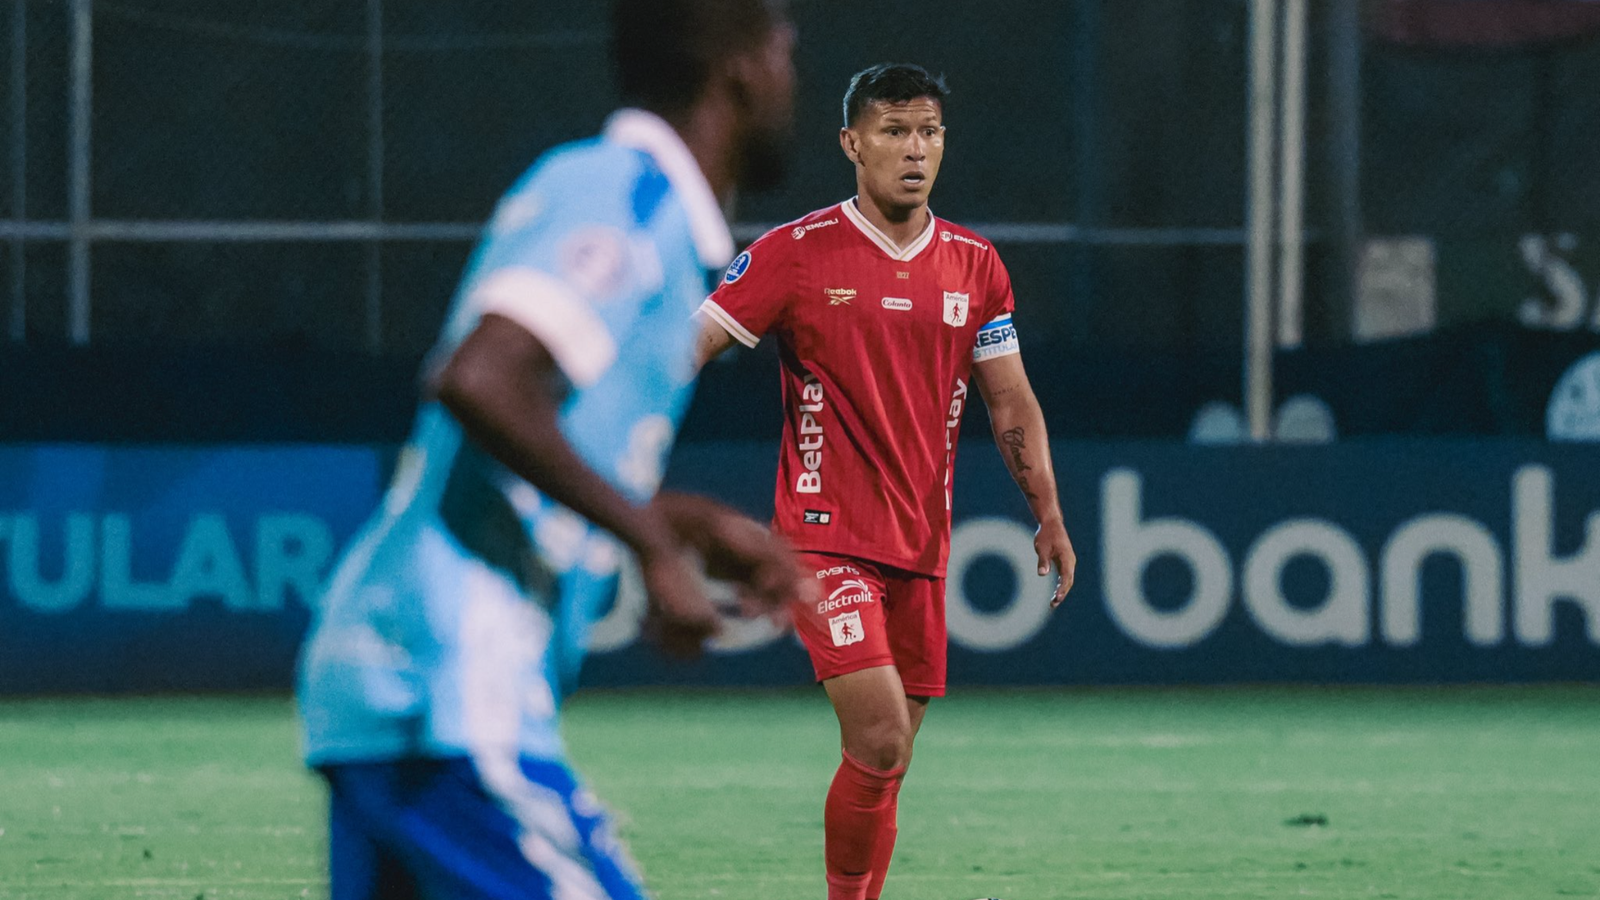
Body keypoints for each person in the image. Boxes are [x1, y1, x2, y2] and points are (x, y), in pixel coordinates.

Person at [296, 2, 802, 897]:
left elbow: (512, 434)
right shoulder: (629, 195)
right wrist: (650, 543)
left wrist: (679, 524)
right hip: (448, 695)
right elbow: (481, 379)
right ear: (744, 69)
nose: (792, 84)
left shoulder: (639, 207)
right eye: (786, 53)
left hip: (393, 693)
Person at [693, 62, 1077, 900]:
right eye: (895, 131)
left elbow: (1010, 399)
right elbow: (691, 344)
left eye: (929, 132)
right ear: (852, 144)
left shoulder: (976, 266)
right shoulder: (795, 253)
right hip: (823, 538)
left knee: (887, 762)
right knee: (880, 739)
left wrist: (1047, 509)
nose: (915, 149)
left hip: (920, 547)